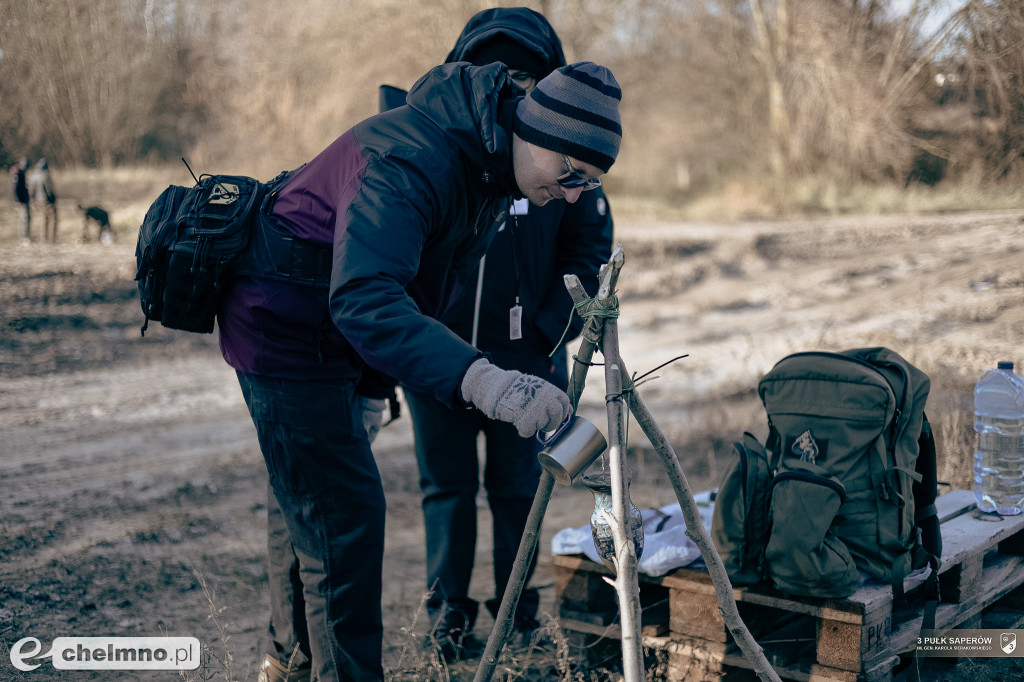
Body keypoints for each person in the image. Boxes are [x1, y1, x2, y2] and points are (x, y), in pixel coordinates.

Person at [218, 56, 623, 682]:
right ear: (534, 132)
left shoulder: (489, 172)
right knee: (343, 520)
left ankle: (292, 659)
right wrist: (486, 381)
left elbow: (423, 290)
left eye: (588, 185)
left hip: (334, 332)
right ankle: (310, 663)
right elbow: (366, 296)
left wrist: (373, 388)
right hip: (282, 320)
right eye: (570, 173)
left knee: (320, 508)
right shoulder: (414, 158)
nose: (570, 196)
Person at [393, 7, 614, 662]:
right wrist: (420, 333)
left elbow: (588, 249)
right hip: (442, 355)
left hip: (529, 360)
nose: (513, 85)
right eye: (499, 72)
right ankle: (446, 616)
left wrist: (550, 333)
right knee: (446, 491)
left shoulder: (565, 157)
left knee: (519, 490)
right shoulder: (445, 147)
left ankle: (518, 613)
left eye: (528, 74)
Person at [27, 159, 58, 243]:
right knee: (53, 219)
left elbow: (31, 190)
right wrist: (53, 199)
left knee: (43, 220)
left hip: (38, 201)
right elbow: (49, 190)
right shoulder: (46, 175)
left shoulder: (33, 175)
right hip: (47, 201)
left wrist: (33, 200)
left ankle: (43, 238)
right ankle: (51, 239)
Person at [10, 158, 31, 245]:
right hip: (21, 201)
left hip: (25, 200)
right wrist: (18, 201)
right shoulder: (18, 175)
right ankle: (24, 238)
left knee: (26, 218)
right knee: (23, 219)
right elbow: (15, 190)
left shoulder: (22, 174)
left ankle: (26, 237)